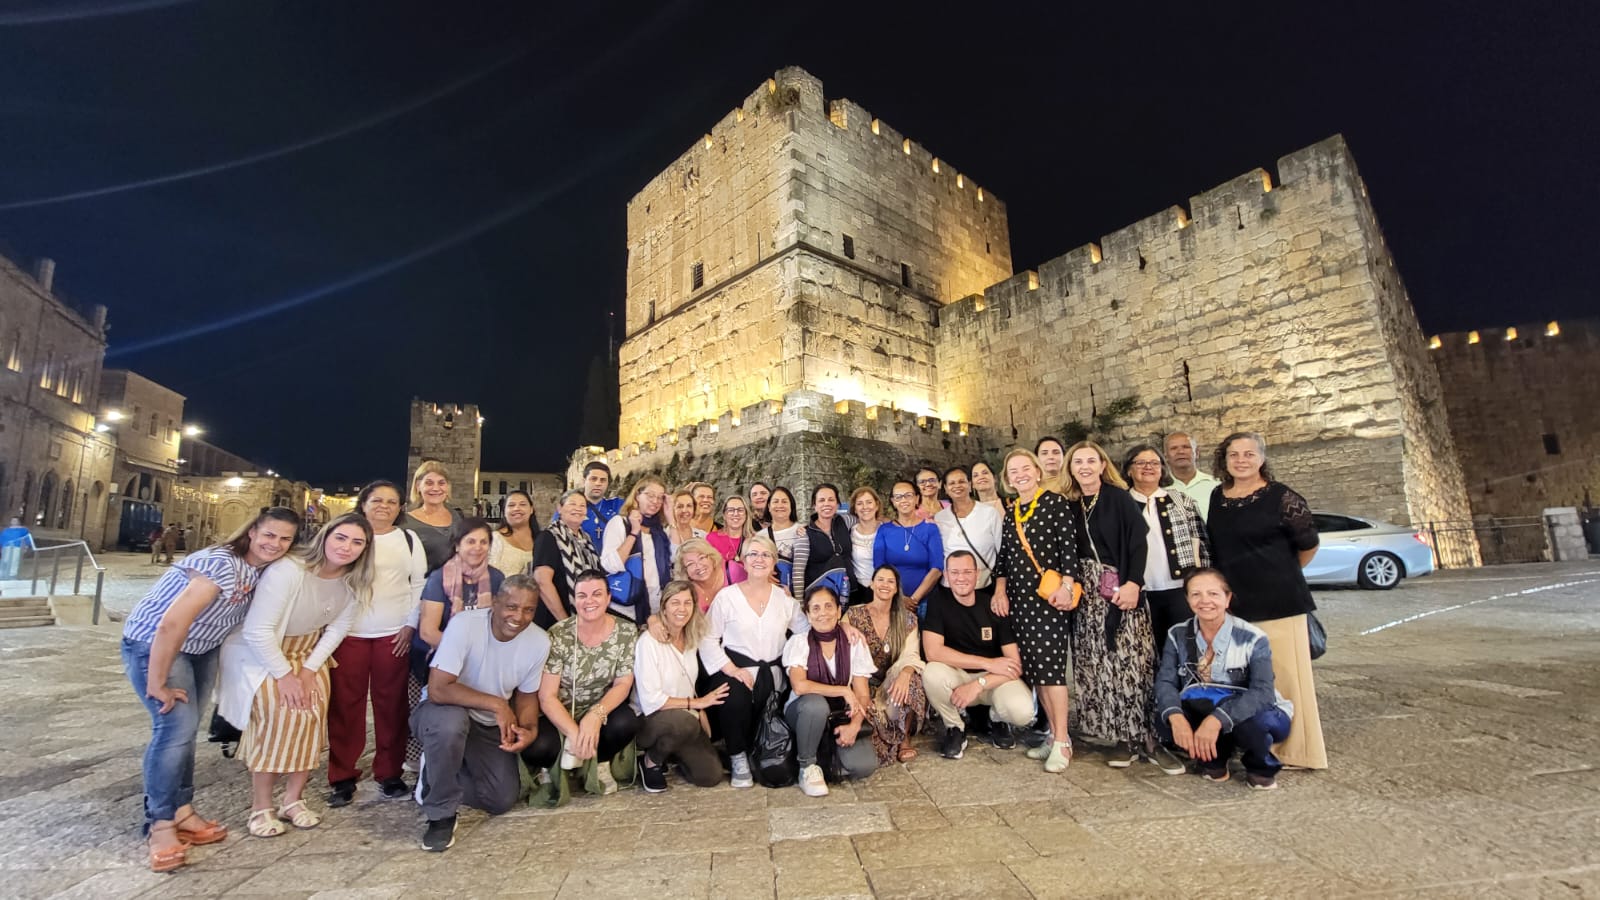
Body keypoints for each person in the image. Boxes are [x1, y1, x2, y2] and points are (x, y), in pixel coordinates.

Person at [121, 507, 300, 872]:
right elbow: (172, 623)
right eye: (269, 535)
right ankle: (160, 824)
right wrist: (156, 681)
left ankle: (182, 811)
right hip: (155, 645)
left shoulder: (263, 569)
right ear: (252, 532)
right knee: (173, 731)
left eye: (285, 539)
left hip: (201, 650)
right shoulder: (222, 563)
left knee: (187, 732)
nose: (275, 544)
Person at [217, 513, 374, 838]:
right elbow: (258, 630)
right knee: (275, 719)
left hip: (310, 653)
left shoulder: (354, 581)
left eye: (357, 542)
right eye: (341, 538)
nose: (346, 547)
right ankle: (261, 806)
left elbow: (338, 628)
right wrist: (285, 676)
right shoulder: (290, 570)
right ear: (325, 537)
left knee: (311, 718)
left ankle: (293, 799)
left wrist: (310, 670)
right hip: (268, 654)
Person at [1206, 431, 1326, 770]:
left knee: (1286, 678)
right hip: (1237, 603)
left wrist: (1281, 572)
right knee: (1246, 679)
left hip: (1279, 600)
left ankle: (1296, 750)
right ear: (1225, 460)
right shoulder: (1219, 496)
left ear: (1261, 458)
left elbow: (1308, 545)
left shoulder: (1281, 496)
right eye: (1234, 454)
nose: (1241, 460)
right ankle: (1256, 742)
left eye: (1249, 454)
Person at [411, 575, 549, 852]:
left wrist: (529, 729)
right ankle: (440, 814)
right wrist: (498, 704)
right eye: (511, 607)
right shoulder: (465, 625)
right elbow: (438, 689)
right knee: (451, 724)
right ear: (495, 603)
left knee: (500, 799)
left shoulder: (539, 641)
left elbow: (526, 696)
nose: (519, 617)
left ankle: (438, 771)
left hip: (485, 725)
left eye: (528, 610)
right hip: (440, 712)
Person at [1064, 441, 1166, 772]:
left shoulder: (1118, 497)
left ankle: (1148, 735)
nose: (1084, 467)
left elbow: (1138, 542)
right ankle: (1120, 736)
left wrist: (1134, 582)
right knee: (1099, 664)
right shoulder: (1071, 504)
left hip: (1120, 585)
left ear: (1102, 465)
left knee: (1132, 660)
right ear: (1070, 468)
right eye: (1078, 461)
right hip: (1087, 595)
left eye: (1090, 460)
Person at [327, 481, 426, 808]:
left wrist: (410, 625)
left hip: (393, 634)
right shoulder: (347, 537)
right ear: (363, 503)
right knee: (345, 706)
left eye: (391, 501)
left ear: (400, 508)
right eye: (377, 500)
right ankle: (342, 774)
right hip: (349, 633)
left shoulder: (408, 540)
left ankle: (389, 772)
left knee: (392, 706)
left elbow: (419, 584)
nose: (384, 506)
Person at [1155, 568, 1294, 789]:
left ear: (1227, 598)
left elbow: (1263, 692)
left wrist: (1216, 720)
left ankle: (1260, 765)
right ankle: (1214, 758)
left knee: (1254, 725)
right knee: (1164, 719)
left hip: (1254, 712)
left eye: (1213, 593)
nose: (1204, 601)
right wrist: (1176, 717)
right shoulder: (1177, 633)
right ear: (1187, 599)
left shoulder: (1252, 637)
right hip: (1203, 704)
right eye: (1196, 594)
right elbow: (1166, 682)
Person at [991, 449, 1078, 772]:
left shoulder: (1055, 504)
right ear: (1008, 479)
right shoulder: (1011, 512)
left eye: (1026, 468)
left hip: (1048, 599)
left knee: (1052, 672)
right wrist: (1000, 590)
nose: (1020, 475)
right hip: (1020, 602)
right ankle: (1053, 735)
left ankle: (1063, 741)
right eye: (1013, 471)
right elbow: (1004, 558)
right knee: (1037, 672)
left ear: (1038, 472)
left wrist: (1067, 587)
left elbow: (1069, 549)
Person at [699, 535, 809, 788]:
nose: (759, 559)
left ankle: (770, 754)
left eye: (766, 555)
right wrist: (731, 669)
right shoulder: (727, 597)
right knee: (734, 694)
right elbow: (707, 638)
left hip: (773, 672)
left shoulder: (785, 599)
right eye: (753, 554)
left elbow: (805, 632)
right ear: (743, 561)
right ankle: (737, 757)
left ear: (774, 562)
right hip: (736, 669)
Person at [521, 570, 640, 795]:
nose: (589, 601)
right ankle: (556, 765)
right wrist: (575, 733)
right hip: (561, 708)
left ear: (608, 598)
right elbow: (547, 696)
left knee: (626, 722)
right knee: (538, 746)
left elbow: (623, 684)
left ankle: (600, 762)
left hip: (599, 704)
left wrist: (595, 715)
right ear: (575, 600)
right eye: (582, 596)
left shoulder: (626, 631)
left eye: (597, 594)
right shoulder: (559, 634)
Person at [408, 518, 507, 769]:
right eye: (470, 541)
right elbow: (429, 631)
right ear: (457, 545)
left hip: (482, 657)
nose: (477, 547)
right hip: (442, 657)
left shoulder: (496, 578)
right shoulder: (439, 578)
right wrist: (466, 653)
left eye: (483, 542)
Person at [924, 550, 1033, 759]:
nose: (961, 578)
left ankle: (997, 719)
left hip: (991, 681)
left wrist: (979, 683)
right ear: (946, 575)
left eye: (967, 572)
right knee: (931, 673)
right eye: (955, 572)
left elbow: (1014, 664)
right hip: (958, 678)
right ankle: (955, 727)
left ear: (977, 574)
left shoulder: (993, 604)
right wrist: (987, 663)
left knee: (1023, 712)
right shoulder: (938, 601)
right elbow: (933, 651)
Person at [633, 580, 728, 791]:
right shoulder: (648, 642)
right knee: (684, 723)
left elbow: (686, 680)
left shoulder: (691, 638)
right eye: (675, 603)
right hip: (649, 719)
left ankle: (673, 752)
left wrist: (700, 710)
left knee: (710, 776)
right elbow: (651, 701)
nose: (682, 609)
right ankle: (650, 762)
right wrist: (697, 704)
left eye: (687, 603)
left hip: (685, 717)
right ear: (664, 607)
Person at [783, 585, 877, 795]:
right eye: (815, 608)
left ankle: (828, 759)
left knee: (865, 766)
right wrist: (843, 690)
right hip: (803, 711)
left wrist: (854, 726)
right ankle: (807, 766)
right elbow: (800, 686)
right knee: (816, 704)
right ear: (808, 615)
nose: (823, 613)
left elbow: (862, 694)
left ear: (838, 610)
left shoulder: (854, 642)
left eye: (828, 606)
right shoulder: (800, 642)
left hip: (840, 713)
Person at [1122, 445, 1211, 660]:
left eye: (1154, 463)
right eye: (1141, 463)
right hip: (1140, 593)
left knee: (1187, 651)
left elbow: (1202, 544)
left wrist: (1204, 584)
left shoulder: (1182, 500)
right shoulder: (1120, 503)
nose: (1148, 467)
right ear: (1129, 470)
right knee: (1146, 656)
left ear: (1162, 469)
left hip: (1179, 589)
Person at [845, 565, 925, 764]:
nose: (885, 585)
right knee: (872, 752)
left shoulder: (907, 619)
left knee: (912, 679)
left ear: (896, 589)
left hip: (892, 685)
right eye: (880, 580)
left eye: (891, 581)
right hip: (862, 686)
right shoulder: (854, 615)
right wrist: (844, 626)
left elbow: (912, 655)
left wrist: (905, 673)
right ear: (872, 584)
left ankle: (904, 739)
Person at [601, 476, 672, 625]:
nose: (655, 501)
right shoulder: (619, 523)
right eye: (650, 495)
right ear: (637, 495)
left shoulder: (659, 531)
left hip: (657, 607)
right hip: (625, 609)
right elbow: (610, 565)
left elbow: (675, 560)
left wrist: (671, 518)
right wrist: (634, 532)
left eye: (660, 497)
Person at [874, 479, 945, 620]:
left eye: (908, 495)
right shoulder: (884, 530)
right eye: (898, 497)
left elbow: (937, 568)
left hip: (925, 601)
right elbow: (879, 567)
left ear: (917, 498)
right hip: (892, 600)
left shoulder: (930, 528)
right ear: (893, 501)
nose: (903, 500)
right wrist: (900, 598)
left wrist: (914, 599)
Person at [530, 489, 602, 628]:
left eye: (582, 506)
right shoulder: (548, 537)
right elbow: (542, 581)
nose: (578, 508)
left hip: (584, 619)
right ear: (560, 508)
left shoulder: (586, 540)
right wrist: (565, 622)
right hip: (555, 620)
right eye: (572, 504)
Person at [934, 465, 1003, 603]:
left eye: (962, 481)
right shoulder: (940, 518)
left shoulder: (989, 513)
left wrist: (1001, 587)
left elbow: (1002, 552)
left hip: (983, 587)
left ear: (970, 485)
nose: (957, 486)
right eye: (952, 483)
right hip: (949, 588)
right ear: (946, 489)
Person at [401, 461, 464, 575]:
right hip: (423, 583)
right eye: (429, 483)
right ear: (418, 487)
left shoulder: (458, 516)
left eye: (441, 483)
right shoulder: (405, 523)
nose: (436, 488)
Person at [794, 483, 852, 598]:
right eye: (821, 500)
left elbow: (867, 520)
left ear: (837, 504)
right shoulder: (805, 534)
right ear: (814, 506)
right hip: (820, 598)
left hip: (850, 593)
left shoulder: (846, 521)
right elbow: (798, 573)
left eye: (831, 499)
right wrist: (799, 602)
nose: (826, 504)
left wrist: (884, 520)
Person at [567, 461, 623, 553]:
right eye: (593, 479)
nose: (598, 483)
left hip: (610, 560)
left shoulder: (617, 505)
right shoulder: (569, 508)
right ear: (584, 481)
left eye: (603, 480)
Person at [1166, 431, 1221, 521]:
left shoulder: (1216, 486)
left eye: (1186, 447)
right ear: (1166, 456)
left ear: (1197, 453)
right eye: (1174, 448)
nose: (1180, 452)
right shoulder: (1160, 489)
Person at [847, 487, 885, 606]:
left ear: (877, 505)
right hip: (857, 591)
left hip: (883, 589)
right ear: (855, 509)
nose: (865, 507)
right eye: (860, 503)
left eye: (869, 502)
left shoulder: (887, 530)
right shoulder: (849, 531)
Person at [488, 490, 537, 577]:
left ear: (531, 509)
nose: (517, 508)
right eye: (511, 505)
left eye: (522, 504)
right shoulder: (495, 539)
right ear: (504, 512)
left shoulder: (541, 539)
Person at [706, 495, 754, 584]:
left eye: (740, 510)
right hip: (719, 587)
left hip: (748, 587)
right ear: (724, 515)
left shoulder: (755, 540)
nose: (736, 514)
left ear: (746, 514)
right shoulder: (712, 538)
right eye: (731, 510)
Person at [675, 537, 728, 612]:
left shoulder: (732, 571)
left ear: (711, 557)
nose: (698, 566)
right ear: (685, 571)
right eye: (690, 564)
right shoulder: (685, 590)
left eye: (701, 558)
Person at [762, 487, 803, 577]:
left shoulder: (803, 531)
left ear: (791, 506)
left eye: (784, 502)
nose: (780, 505)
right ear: (769, 506)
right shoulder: (760, 537)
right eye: (775, 501)